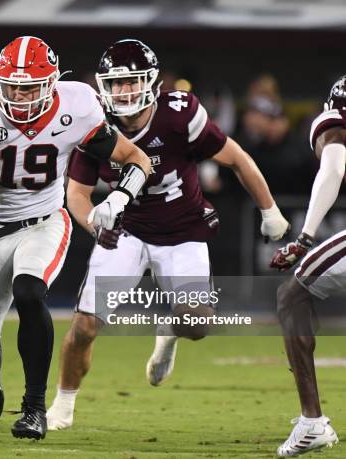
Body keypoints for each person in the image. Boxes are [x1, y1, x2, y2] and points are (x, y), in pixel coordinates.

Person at [46, 39, 290, 430]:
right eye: (117, 83)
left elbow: (236, 158)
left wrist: (270, 210)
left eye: (132, 82)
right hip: (125, 232)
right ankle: (63, 403)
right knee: (85, 325)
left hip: (182, 230)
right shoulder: (96, 125)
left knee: (197, 323)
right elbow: (76, 193)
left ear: (151, 82)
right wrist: (96, 225)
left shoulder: (180, 115)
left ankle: (167, 332)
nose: (124, 92)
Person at [0, 36, 151, 440]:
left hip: (44, 220)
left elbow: (137, 159)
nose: (19, 94)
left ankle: (33, 409)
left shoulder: (77, 106)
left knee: (30, 292)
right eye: (12, 85)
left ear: (51, 83)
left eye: (29, 86)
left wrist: (119, 197)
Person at [270, 76, 346, 457]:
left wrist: (305, 238)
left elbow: (332, 170)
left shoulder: (333, 124)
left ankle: (312, 422)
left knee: (292, 296)